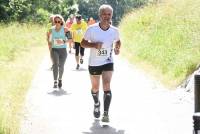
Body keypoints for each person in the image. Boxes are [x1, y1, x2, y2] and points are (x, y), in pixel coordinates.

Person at [81, 4, 121, 122]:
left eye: (109, 14)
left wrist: (117, 49)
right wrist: (93, 45)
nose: (107, 16)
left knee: (107, 85)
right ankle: (97, 103)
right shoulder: (91, 29)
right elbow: (83, 43)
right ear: (100, 15)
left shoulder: (115, 31)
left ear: (111, 15)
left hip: (108, 61)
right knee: (95, 87)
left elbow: (118, 41)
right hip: (94, 62)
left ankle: (106, 113)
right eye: (104, 14)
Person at [48, 14, 68, 88]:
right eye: (55, 21)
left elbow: (70, 39)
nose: (57, 23)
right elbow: (49, 41)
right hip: (54, 50)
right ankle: (55, 81)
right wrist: (50, 48)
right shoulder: (51, 30)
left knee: (61, 66)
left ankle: (60, 79)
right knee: (55, 65)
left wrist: (62, 41)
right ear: (54, 22)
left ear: (61, 21)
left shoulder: (65, 29)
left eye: (58, 21)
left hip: (63, 50)